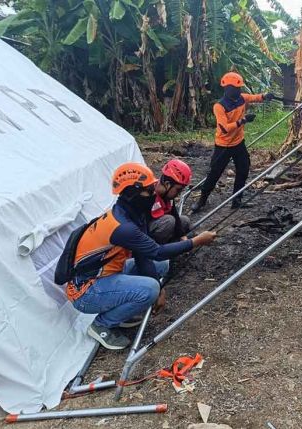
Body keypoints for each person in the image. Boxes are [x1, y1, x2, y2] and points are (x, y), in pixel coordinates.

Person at [65, 163, 217, 350]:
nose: (153, 193)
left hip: (104, 276)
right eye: (147, 191)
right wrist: (196, 242)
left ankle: (122, 312)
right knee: (150, 288)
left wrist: (161, 288)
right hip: (85, 292)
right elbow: (157, 251)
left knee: (160, 266)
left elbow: (143, 256)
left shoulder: (133, 215)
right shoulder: (122, 226)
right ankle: (102, 325)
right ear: (132, 194)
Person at [190, 72, 275, 212]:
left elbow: (254, 97)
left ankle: (237, 200)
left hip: (238, 143)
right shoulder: (219, 106)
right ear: (228, 88)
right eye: (236, 88)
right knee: (214, 174)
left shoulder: (241, 98)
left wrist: (265, 96)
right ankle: (202, 201)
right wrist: (243, 120)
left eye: (239, 88)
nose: (239, 91)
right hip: (223, 146)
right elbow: (224, 129)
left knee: (243, 169)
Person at [149, 159, 193, 244]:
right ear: (167, 184)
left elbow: (174, 213)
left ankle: (172, 243)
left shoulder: (167, 195)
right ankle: (159, 251)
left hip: (160, 225)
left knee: (185, 221)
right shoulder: (148, 195)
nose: (179, 194)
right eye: (178, 190)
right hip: (145, 234)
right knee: (169, 221)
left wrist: (182, 235)